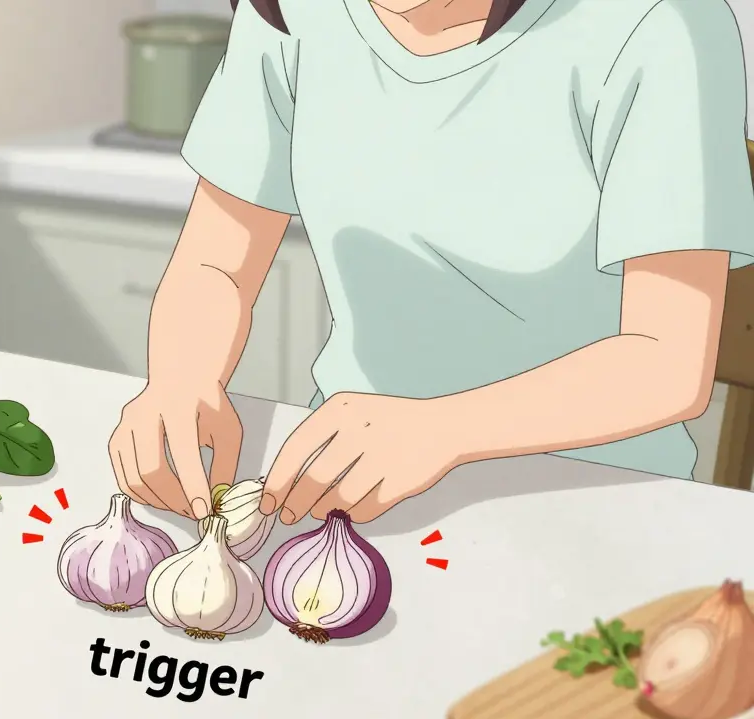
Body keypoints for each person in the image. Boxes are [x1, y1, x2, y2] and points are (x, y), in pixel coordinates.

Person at [108, 0, 754, 527]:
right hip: (345, 490)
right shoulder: (291, 14)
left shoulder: (657, 25)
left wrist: (440, 430)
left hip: (590, 501)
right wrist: (181, 379)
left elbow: (665, 361)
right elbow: (217, 262)